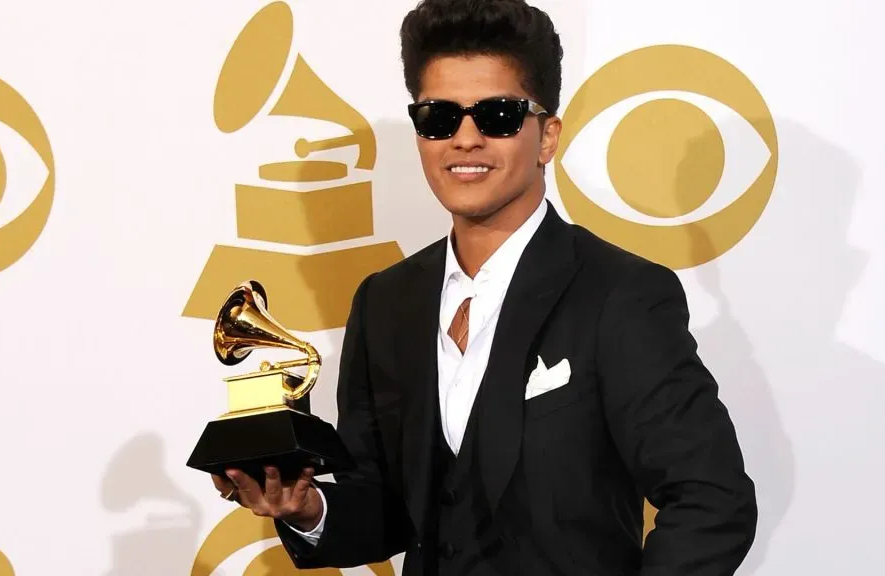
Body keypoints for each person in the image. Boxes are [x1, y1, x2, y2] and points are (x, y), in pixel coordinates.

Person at [211, 0, 757, 573]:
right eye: (439, 117)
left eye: (496, 115)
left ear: (547, 137)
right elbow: (385, 503)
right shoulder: (386, 302)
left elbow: (712, 499)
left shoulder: (620, 294)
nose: (465, 139)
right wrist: (308, 507)